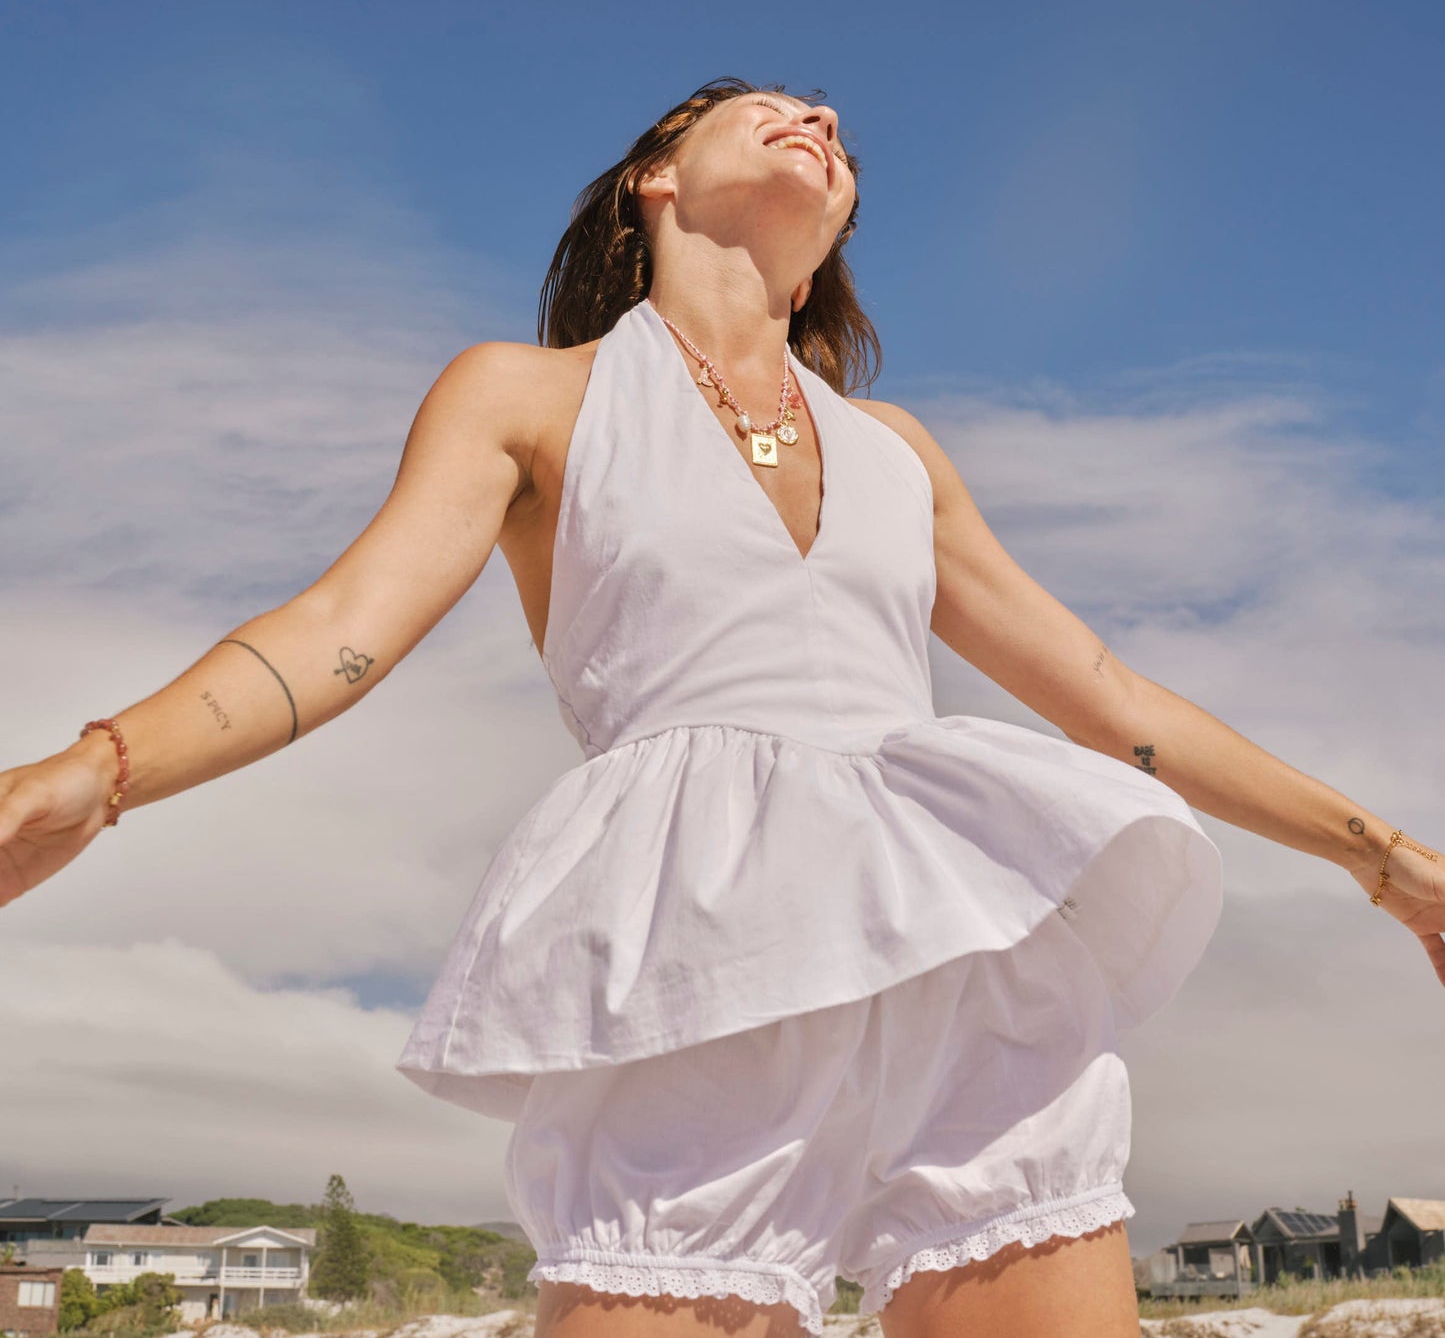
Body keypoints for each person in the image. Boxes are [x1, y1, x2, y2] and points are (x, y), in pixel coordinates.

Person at [1, 75, 1441, 1338]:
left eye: (839, 131)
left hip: (960, 954)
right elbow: (337, 630)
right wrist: (105, 765)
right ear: (659, 176)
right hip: (689, 947)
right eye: (763, 101)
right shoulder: (531, 398)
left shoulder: (899, 454)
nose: (817, 117)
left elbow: (1112, 699)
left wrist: (1383, 859)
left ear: (832, 247)